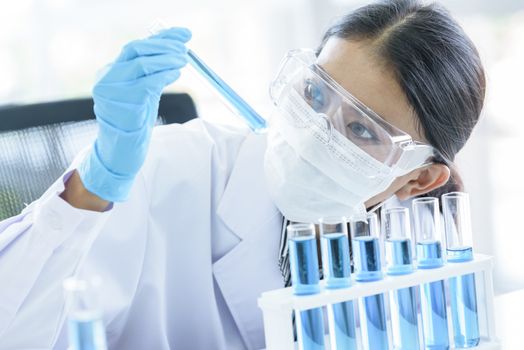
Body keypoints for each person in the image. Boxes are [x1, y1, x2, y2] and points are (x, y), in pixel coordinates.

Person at [0, 0, 485, 349]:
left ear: (417, 180)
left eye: (360, 128)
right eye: (315, 95)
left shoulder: (419, 251)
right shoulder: (169, 170)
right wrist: (92, 190)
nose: (315, 132)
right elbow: (15, 327)